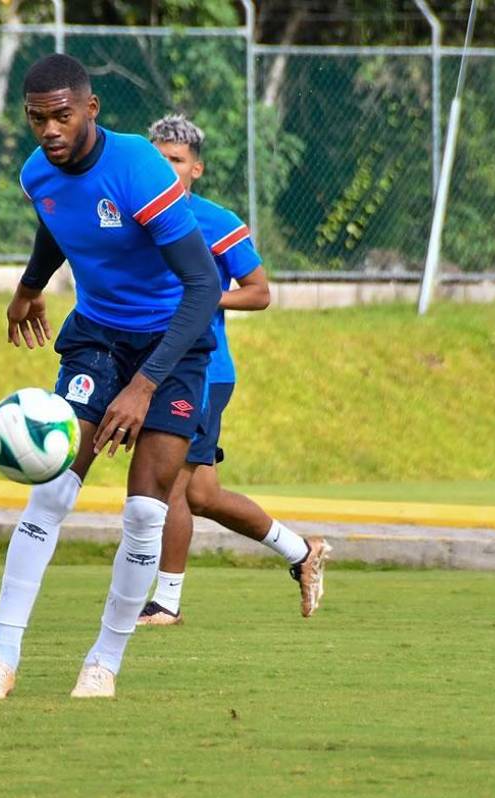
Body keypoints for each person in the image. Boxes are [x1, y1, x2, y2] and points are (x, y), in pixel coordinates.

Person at [0, 54, 223, 700]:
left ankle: (103, 662)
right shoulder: (36, 175)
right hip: (98, 341)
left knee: (143, 509)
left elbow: (203, 284)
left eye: (62, 115)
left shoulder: (137, 168)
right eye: (36, 118)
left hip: (176, 342)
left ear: (90, 109)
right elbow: (58, 223)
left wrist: (146, 385)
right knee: (50, 492)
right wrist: (28, 288)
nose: (49, 129)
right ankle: (0, 657)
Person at [137, 115, 331, 627]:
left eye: (175, 161)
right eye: (156, 160)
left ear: (195, 169)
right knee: (201, 495)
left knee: (171, 485)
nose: (166, 168)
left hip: (204, 370)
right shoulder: (137, 222)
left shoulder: (216, 221)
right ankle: (300, 551)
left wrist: (204, 295)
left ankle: (165, 602)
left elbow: (260, 292)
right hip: (154, 367)